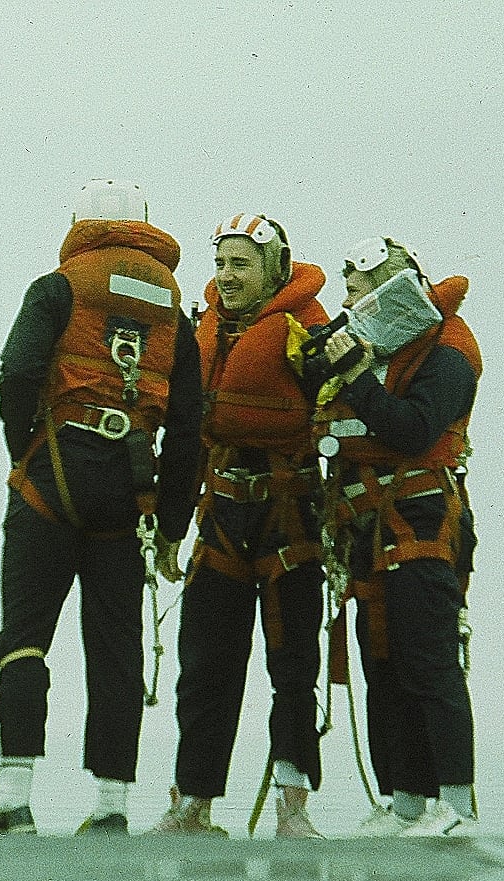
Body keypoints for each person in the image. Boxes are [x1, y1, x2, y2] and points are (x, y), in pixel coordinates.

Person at [0, 179, 202, 835]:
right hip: (130, 494)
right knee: (116, 647)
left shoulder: (56, 288)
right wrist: (174, 524)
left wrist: (26, 451)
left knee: (26, 636)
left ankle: (14, 799)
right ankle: (112, 808)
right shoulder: (175, 316)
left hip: (50, 479)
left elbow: (16, 372)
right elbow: (188, 431)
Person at [148, 214, 332, 838]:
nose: (226, 277)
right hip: (224, 517)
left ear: (273, 269)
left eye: (240, 265)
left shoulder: (307, 333)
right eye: (221, 264)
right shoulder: (202, 335)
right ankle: (192, 803)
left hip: (291, 519)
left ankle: (293, 806)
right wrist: (170, 528)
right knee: (204, 666)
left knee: (293, 667)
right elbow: (187, 438)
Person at [315, 236, 482, 837]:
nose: (349, 302)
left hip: (422, 521)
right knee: (380, 660)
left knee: (428, 660)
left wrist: (356, 379)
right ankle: (406, 798)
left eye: (360, 289)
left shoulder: (450, 352)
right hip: (365, 526)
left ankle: (457, 804)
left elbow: (413, 430)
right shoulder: (369, 351)